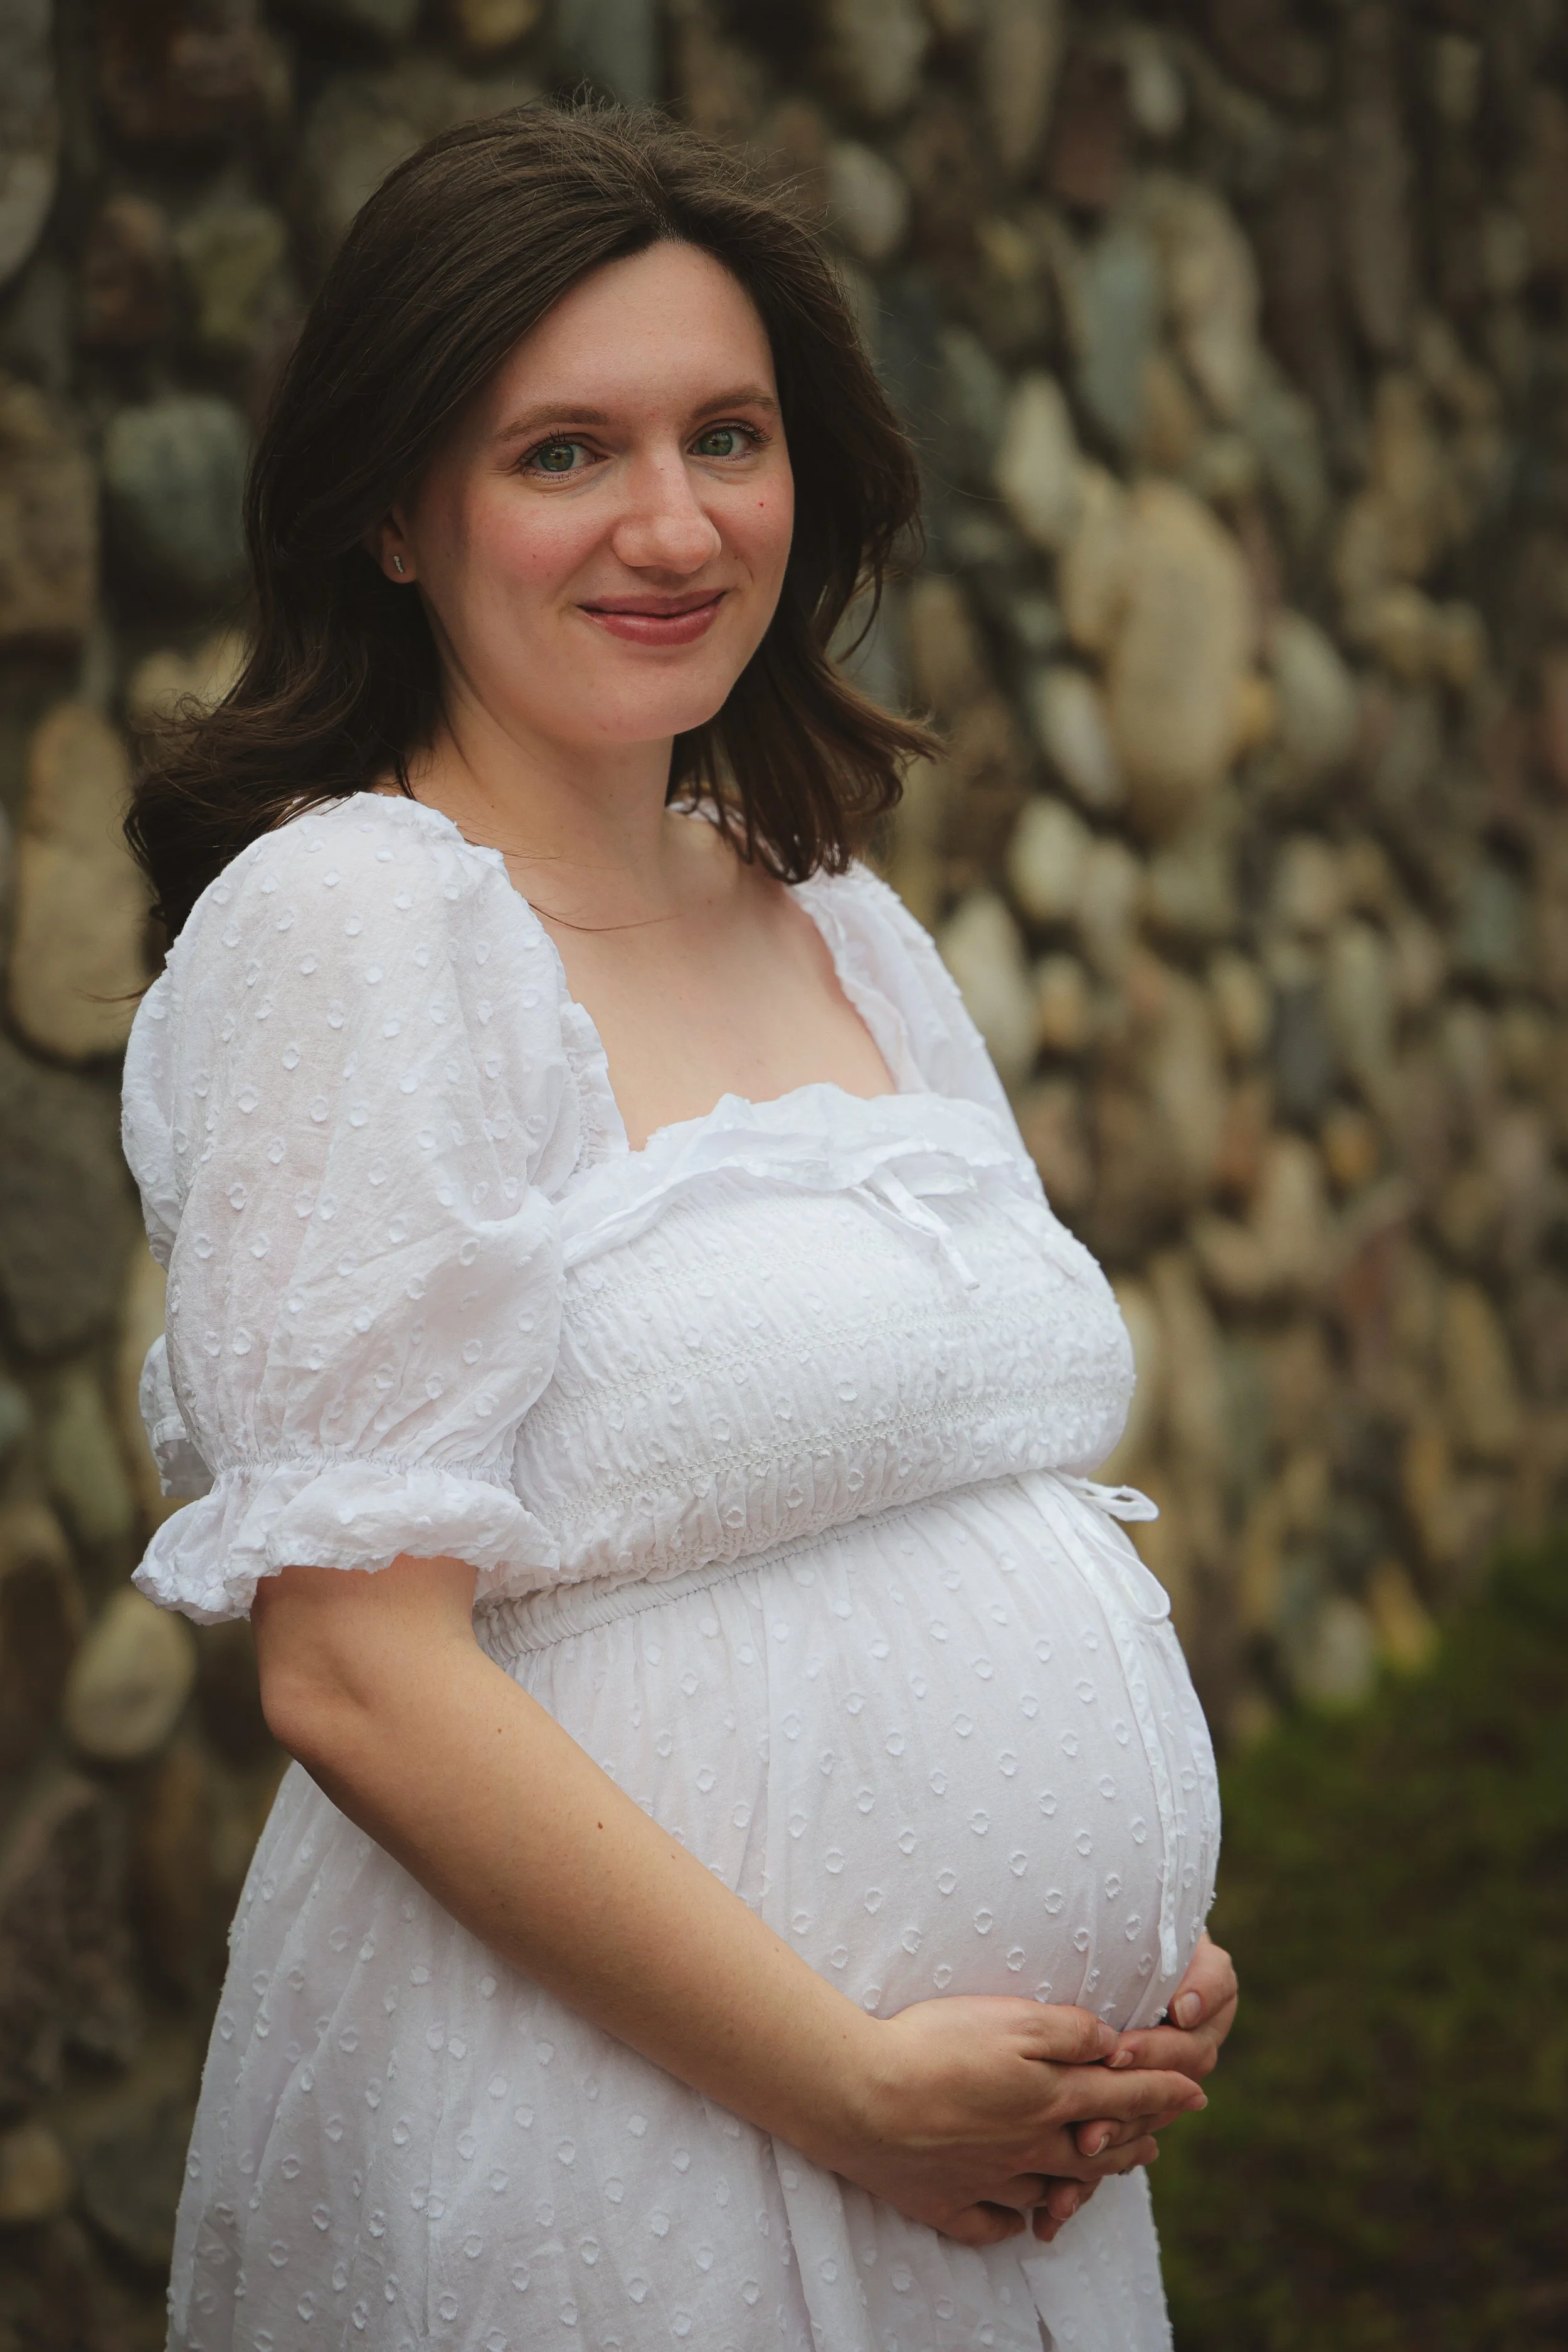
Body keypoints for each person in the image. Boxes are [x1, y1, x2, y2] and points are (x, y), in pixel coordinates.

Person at [124, 103, 1236, 2352]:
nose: (672, 522)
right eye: (562, 453)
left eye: (727, 434)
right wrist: (844, 2076)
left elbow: (989, 1485)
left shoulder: (836, 912)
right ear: (391, 511)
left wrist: (1141, 1942)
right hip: (614, 2136)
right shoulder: (357, 924)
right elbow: (354, 1664)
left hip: (986, 2158)